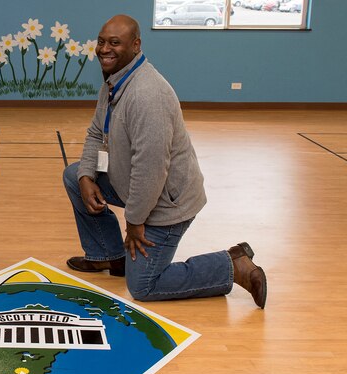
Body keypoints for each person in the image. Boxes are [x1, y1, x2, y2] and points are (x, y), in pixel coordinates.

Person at [62, 14, 267, 308]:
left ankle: (233, 265)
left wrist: (134, 222)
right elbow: (97, 132)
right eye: (101, 41)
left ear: (136, 45)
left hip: (167, 203)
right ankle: (107, 255)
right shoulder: (115, 81)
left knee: (144, 285)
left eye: (115, 43)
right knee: (73, 175)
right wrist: (85, 176)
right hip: (135, 186)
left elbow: (151, 170)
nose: (104, 49)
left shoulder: (148, 95)